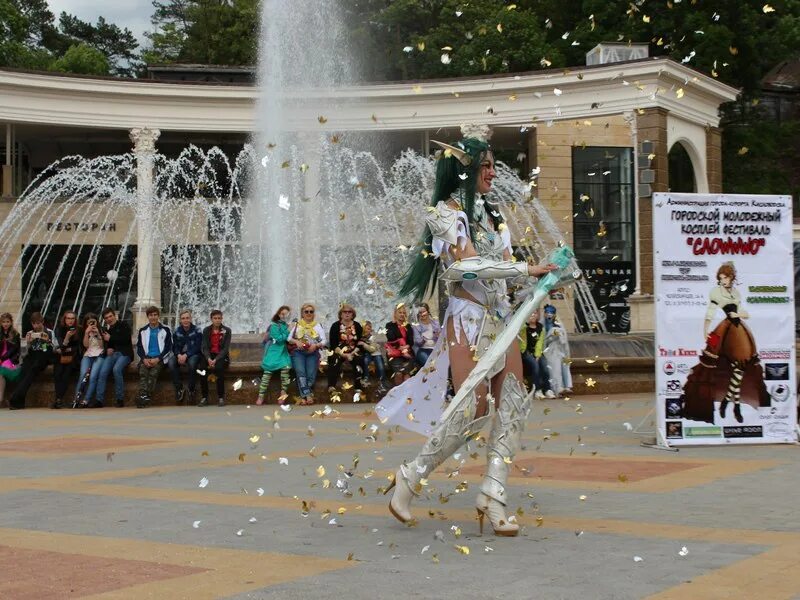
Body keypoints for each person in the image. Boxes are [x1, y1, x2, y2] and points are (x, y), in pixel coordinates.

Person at [378, 125, 557, 536]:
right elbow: (467, 266)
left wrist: (547, 278)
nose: (494, 173)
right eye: (486, 166)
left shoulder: (495, 218)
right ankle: (409, 478)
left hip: (502, 319)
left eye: (494, 165)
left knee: (512, 408)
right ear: (467, 169)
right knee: (472, 412)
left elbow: (508, 277)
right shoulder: (444, 213)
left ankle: (493, 497)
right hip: (468, 320)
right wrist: (527, 268)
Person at [680, 262, 769, 424]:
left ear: (731, 277)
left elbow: (744, 313)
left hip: (739, 328)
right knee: (712, 359)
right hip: (723, 330)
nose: (723, 281)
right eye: (720, 278)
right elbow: (710, 312)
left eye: (725, 278)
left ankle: (729, 403)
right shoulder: (716, 292)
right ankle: (730, 405)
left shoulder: (736, 293)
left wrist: (739, 314)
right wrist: (705, 330)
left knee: (740, 367)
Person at [8, 312, 54, 410]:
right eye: (34, 324)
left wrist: (47, 341)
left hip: (44, 356)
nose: (36, 326)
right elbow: (24, 353)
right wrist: (27, 343)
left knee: (33, 369)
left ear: (42, 322)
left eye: (38, 323)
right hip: (32, 356)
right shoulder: (29, 333)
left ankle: (15, 397)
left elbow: (55, 349)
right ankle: (19, 403)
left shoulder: (49, 332)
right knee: (24, 370)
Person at [287, 303, 326, 405]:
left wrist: (316, 346)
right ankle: (308, 395)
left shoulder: (317, 326)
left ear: (314, 314)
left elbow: (324, 341)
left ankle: (302, 396)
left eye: (311, 312)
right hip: (298, 353)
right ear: (302, 314)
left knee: (311, 376)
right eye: (306, 312)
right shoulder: (297, 325)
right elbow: (289, 338)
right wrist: (297, 342)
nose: (309, 313)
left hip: (312, 353)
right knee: (301, 373)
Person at [96, 307, 134, 408]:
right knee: (102, 372)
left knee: (116, 369)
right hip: (113, 355)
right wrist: (109, 347)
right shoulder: (107, 330)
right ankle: (99, 400)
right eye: (106, 318)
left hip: (125, 354)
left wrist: (111, 338)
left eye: (110, 316)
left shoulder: (124, 325)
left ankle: (119, 399)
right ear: (105, 320)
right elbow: (110, 344)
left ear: (114, 316)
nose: (109, 319)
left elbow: (125, 339)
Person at [135, 306, 173, 409]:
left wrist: (158, 359)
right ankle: (144, 395)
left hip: (160, 358)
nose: (153, 317)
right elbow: (139, 347)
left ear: (158, 316)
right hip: (147, 358)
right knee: (143, 372)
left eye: (155, 315)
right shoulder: (143, 330)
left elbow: (168, 347)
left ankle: (145, 395)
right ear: (148, 317)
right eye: (151, 315)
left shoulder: (165, 329)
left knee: (153, 373)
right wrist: (144, 359)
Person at [258, 305, 292, 406]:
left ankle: (283, 393)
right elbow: (279, 339)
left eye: (286, 314)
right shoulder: (274, 325)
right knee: (267, 374)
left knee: (285, 372)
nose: (284, 316)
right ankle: (261, 396)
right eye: (282, 314)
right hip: (273, 352)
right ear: (278, 314)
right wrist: (288, 330)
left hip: (283, 353)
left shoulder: (287, 325)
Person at [167, 309, 203, 404]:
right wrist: (178, 355)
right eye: (183, 318)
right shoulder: (176, 331)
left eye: (187, 318)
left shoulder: (197, 330)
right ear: (180, 320)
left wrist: (186, 355)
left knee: (192, 364)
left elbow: (198, 346)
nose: (185, 320)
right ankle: (179, 389)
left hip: (193, 354)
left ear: (191, 319)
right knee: (171, 363)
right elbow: (174, 346)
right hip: (180, 355)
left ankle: (191, 389)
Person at [326, 304, 363, 393]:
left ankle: (358, 387)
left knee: (358, 360)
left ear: (352, 314)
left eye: (349, 312)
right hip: (339, 351)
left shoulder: (357, 326)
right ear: (341, 314)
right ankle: (331, 386)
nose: (347, 314)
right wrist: (343, 354)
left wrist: (352, 353)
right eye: (344, 312)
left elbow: (360, 342)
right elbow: (333, 344)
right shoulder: (335, 326)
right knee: (334, 359)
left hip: (353, 351)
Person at [199, 309, 232, 407]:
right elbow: (204, 346)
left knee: (219, 369)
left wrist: (216, 360)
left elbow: (225, 348)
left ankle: (221, 397)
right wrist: (208, 358)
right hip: (209, 355)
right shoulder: (206, 330)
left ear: (222, 319)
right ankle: (204, 397)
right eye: (215, 318)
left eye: (219, 318)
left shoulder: (227, 331)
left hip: (221, 356)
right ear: (211, 319)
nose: (217, 320)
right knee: (202, 369)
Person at [520, 310, 556, 399]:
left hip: (537, 352)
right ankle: (537, 390)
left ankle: (548, 389)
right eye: (531, 313)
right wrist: (526, 323)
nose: (533, 315)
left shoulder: (540, 327)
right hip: (526, 352)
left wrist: (537, 355)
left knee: (544, 366)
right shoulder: (524, 326)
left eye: (535, 313)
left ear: (537, 316)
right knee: (535, 366)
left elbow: (540, 342)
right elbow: (520, 334)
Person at [75, 313, 106, 408]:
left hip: (99, 354)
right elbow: (86, 345)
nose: (92, 324)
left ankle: (86, 400)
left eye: (94, 322)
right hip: (88, 354)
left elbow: (102, 346)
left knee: (93, 377)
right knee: (83, 374)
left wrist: (98, 334)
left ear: (97, 322)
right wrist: (86, 333)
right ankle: (76, 399)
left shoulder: (102, 330)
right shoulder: (84, 331)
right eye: (89, 323)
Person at [542, 304, 573, 396]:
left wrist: (560, 336)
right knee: (555, 368)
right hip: (550, 350)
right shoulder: (542, 324)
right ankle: (557, 388)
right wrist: (551, 338)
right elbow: (542, 340)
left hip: (560, 349)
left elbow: (564, 338)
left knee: (564, 365)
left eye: (551, 313)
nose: (549, 315)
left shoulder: (558, 323)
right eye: (547, 312)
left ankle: (567, 385)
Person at [52, 310, 81, 409]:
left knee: (66, 375)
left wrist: (68, 348)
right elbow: (60, 347)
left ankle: (58, 399)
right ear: (64, 320)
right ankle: (58, 399)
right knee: (57, 373)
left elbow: (78, 347)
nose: (70, 321)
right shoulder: (59, 329)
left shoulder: (79, 330)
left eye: (72, 318)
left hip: (73, 358)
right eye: (68, 318)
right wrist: (67, 338)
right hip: (60, 357)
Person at [385, 304, 415, 385]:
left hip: (407, 354)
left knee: (407, 376)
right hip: (395, 355)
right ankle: (398, 396)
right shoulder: (389, 325)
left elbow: (411, 342)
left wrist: (406, 347)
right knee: (398, 374)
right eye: (400, 312)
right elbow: (391, 338)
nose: (402, 314)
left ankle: (407, 397)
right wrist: (400, 347)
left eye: (404, 313)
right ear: (395, 313)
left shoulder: (408, 326)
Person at [357, 320, 389, 393]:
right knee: (366, 360)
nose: (369, 330)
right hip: (367, 354)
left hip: (375, 353)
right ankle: (366, 377)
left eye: (370, 328)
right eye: (367, 328)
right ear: (363, 329)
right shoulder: (360, 337)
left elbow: (373, 349)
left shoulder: (372, 337)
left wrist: (364, 344)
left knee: (379, 364)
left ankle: (382, 380)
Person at [0, 313, 22, 409]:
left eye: (7, 322)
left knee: (1, 373)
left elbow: (14, 349)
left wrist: (2, 358)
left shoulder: (16, 334)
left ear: (11, 322)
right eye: (3, 322)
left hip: (10, 359)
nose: (5, 324)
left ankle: (0, 400)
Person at [412, 302, 441, 367]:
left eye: (424, 311)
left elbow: (440, 337)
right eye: (420, 312)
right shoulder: (416, 326)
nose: (422, 314)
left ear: (428, 311)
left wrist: (438, 336)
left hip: (435, 349)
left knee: (443, 362)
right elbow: (418, 342)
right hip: (423, 350)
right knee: (431, 366)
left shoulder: (435, 322)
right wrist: (423, 340)